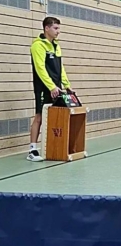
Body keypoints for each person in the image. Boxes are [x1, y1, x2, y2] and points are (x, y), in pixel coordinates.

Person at [28, 17, 73, 162]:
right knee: (39, 117)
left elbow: (60, 68)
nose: (58, 31)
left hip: (57, 88)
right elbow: (40, 68)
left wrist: (66, 84)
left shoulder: (56, 45)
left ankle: (57, 148)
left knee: (58, 115)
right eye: (56, 28)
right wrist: (51, 86)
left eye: (59, 28)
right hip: (43, 88)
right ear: (46, 28)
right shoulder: (38, 46)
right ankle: (32, 150)